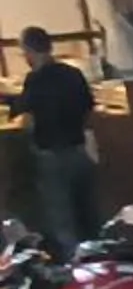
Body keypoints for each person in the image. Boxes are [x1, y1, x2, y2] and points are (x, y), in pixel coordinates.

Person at [7, 28, 98, 250]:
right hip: (79, 151)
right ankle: (96, 266)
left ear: (29, 50)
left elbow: (21, 109)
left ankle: (73, 270)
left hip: (51, 157)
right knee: (88, 214)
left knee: (63, 219)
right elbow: (89, 106)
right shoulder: (73, 73)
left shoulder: (35, 80)